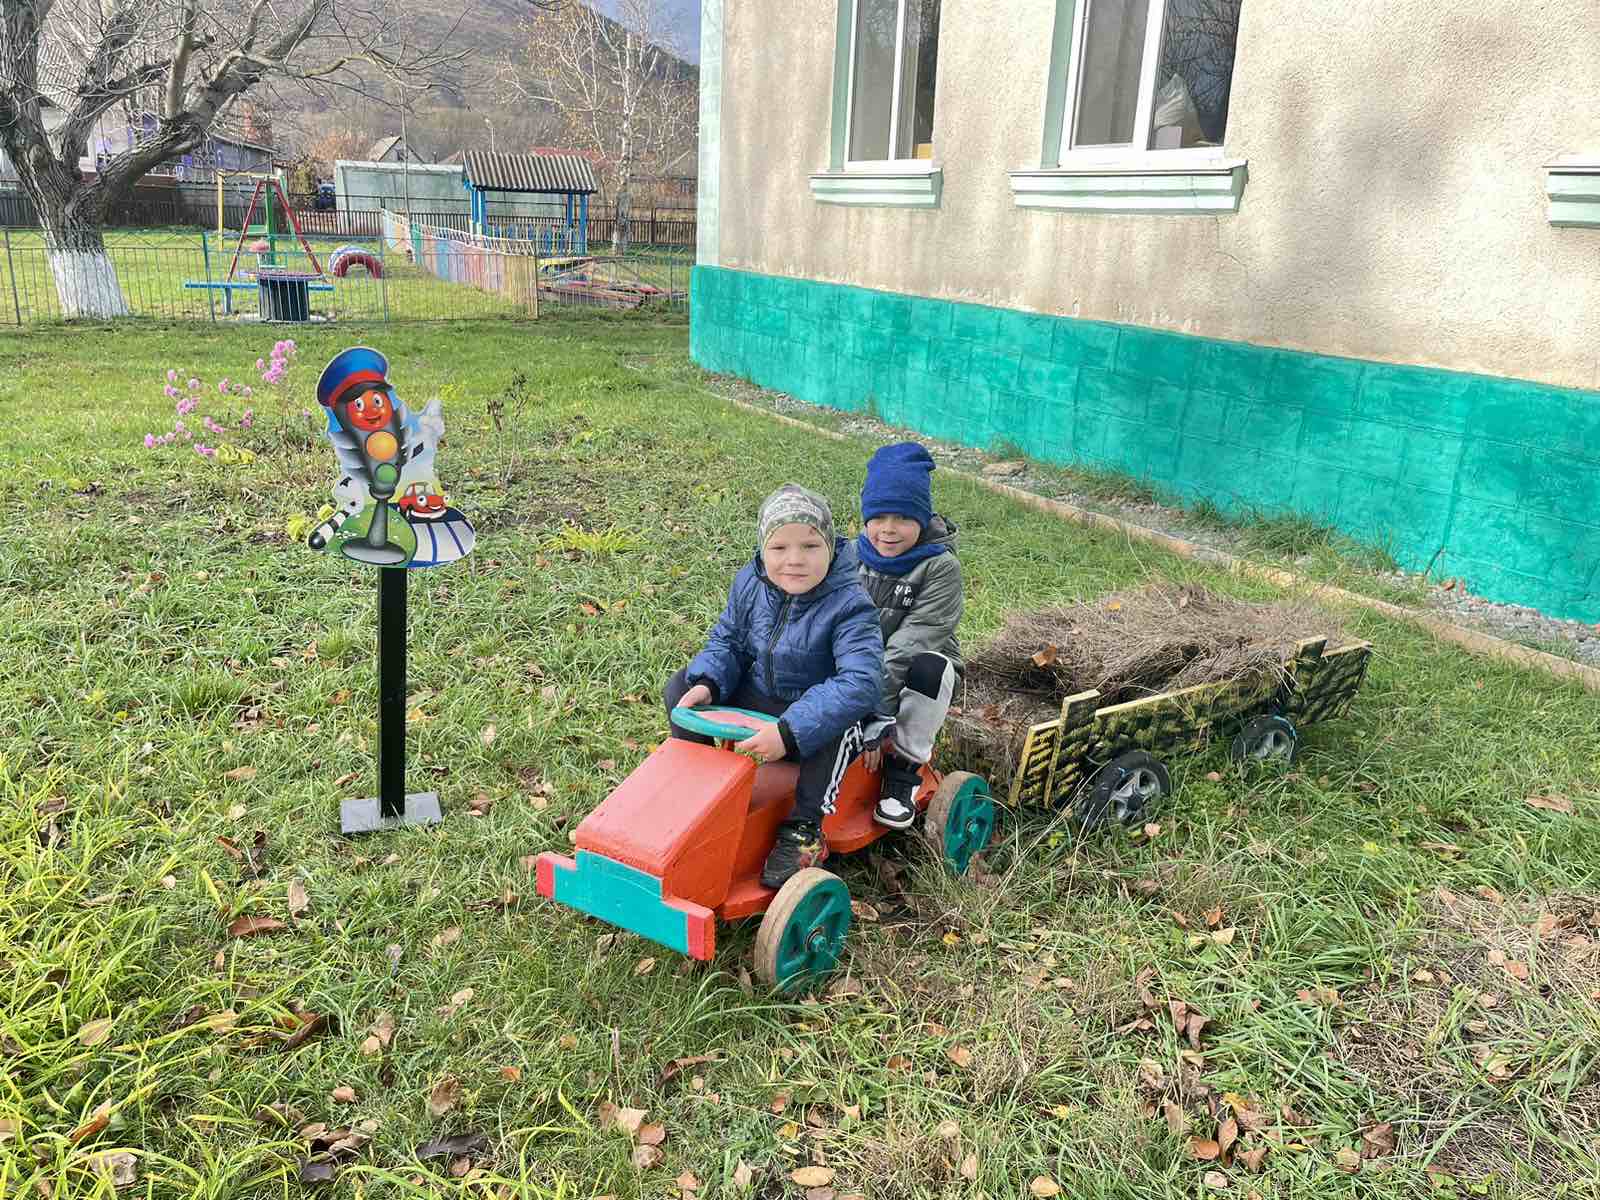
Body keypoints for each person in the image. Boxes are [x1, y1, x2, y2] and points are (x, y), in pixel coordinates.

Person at [665, 483, 884, 889]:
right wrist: (709, 682)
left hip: (813, 713)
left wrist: (790, 731)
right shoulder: (751, 583)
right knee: (681, 686)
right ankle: (700, 791)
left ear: (830, 548)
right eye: (779, 547)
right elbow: (729, 640)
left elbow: (861, 681)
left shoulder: (850, 603)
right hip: (764, 695)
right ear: (763, 549)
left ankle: (804, 829)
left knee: (836, 725)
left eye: (810, 546)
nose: (794, 560)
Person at [854, 443, 964, 829]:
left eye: (902, 517)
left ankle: (903, 774)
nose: (888, 529)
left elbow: (912, 643)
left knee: (931, 668)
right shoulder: (850, 556)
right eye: (878, 517)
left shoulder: (939, 567)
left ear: (922, 517)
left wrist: (873, 709)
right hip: (862, 667)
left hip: (916, 671)